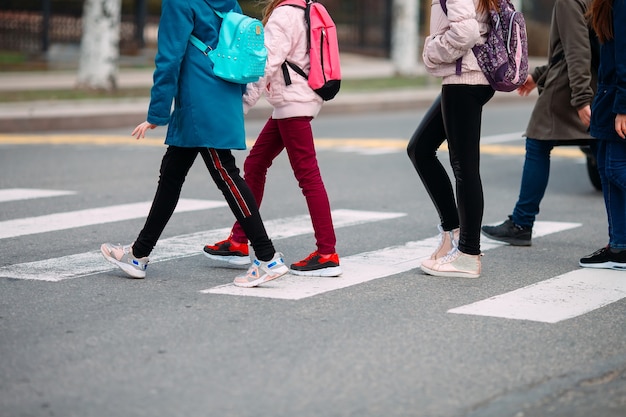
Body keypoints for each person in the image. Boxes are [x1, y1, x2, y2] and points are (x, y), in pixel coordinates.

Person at [100, 0, 289, 288]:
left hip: (198, 100)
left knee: (225, 174)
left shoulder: (179, 2)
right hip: (221, 90)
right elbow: (237, 45)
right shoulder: (228, 1)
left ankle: (267, 257)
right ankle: (138, 255)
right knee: (171, 176)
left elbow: (169, 58)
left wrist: (157, 114)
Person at [203, 0, 342, 277]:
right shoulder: (307, 7)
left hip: (293, 102)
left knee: (307, 175)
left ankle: (327, 252)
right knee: (256, 163)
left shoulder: (284, 14)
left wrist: (242, 105)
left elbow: (264, 64)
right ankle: (239, 241)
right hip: (296, 99)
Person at [481, 0, 598, 246]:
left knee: (537, 143)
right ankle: (618, 236)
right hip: (591, 83)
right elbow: (578, 48)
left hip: (569, 88)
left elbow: (577, 51)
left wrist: (581, 99)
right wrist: (539, 74)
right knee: (605, 155)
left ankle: (522, 223)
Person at [407, 0, 496, 278]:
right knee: (420, 149)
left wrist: (431, 51)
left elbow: (466, 33)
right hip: (469, 77)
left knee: (464, 167)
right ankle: (454, 232)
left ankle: (468, 253)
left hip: (466, 78)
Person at [579, 0, 626, 269]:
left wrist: (623, 107)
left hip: (618, 96)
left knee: (616, 168)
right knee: (608, 170)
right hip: (609, 93)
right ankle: (619, 245)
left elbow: (624, 53)